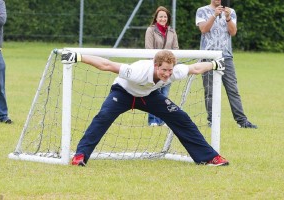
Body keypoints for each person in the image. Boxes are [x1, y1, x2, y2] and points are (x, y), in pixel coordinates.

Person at [61, 49, 229, 167]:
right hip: (122, 94)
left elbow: (196, 68)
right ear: (155, 65)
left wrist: (215, 64)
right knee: (103, 118)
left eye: (170, 70)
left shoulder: (174, 71)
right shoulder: (137, 71)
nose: (167, 74)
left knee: (180, 117)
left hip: (148, 95)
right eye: (163, 70)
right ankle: (80, 156)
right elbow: (106, 65)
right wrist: (79, 57)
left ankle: (209, 158)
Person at [196, 0, 257, 128]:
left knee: (233, 90)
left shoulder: (231, 12)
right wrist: (213, 15)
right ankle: (212, 121)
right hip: (208, 57)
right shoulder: (202, 11)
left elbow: (233, 32)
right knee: (209, 91)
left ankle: (242, 121)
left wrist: (228, 17)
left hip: (226, 57)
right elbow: (203, 29)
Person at [145, 6, 179, 126]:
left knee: (164, 95)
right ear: (156, 18)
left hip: (168, 69)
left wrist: (172, 65)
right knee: (154, 94)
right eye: (161, 16)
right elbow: (149, 49)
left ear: (167, 18)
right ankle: (153, 120)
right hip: (155, 67)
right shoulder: (150, 30)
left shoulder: (172, 31)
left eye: (165, 16)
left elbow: (176, 49)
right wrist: (156, 66)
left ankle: (162, 120)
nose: (163, 18)